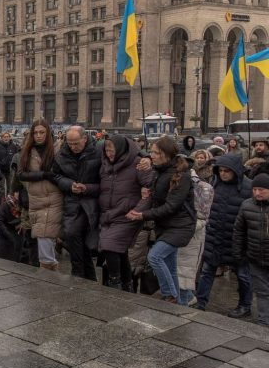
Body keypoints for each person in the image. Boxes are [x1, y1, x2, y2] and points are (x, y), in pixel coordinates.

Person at [127, 137, 195, 303]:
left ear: (167, 154)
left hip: (180, 227)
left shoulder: (182, 176)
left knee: (154, 257)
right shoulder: (160, 170)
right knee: (170, 266)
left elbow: (171, 206)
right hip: (165, 226)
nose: (153, 155)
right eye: (152, 152)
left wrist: (144, 215)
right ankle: (179, 303)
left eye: (156, 153)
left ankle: (169, 295)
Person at [195, 154, 253, 317]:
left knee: (243, 275)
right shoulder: (215, 183)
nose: (223, 174)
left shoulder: (248, 187)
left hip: (238, 240)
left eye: (227, 171)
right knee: (207, 271)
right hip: (216, 237)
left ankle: (245, 305)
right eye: (220, 170)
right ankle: (200, 302)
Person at [98, 135, 153, 291]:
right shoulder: (105, 165)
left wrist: (138, 210)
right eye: (107, 150)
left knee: (109, 245)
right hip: (108, 214)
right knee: (119, 250)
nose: (109, 153)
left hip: (128, 214)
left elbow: (150, 188)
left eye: (112, 150)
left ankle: (114, 281)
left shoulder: (138, 164)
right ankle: (127, 284)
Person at [53, 126, 102, 280]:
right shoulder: (62, 154)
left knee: (74, 234)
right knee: (75, 238)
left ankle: (78, 272)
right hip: (72, 201)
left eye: (76, 143)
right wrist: (69, 185)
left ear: (85, 139)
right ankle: (86, 276)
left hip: (91, 202)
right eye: (70, 143)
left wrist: (86, 188)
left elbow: (106, 181)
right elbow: (55, 175)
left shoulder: (98, 151)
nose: (73, 147)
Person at [16, 119, 63, 270]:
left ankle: (48, 270)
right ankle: (49, 271)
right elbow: (20, 174)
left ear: (48, 133)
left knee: (45, 237)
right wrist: (43, 174)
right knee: (42, 238)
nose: (38, 135)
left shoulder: (58, 149)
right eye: (35, 133)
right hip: (36, 200)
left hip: (54, 198)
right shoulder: (27, 151)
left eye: (42, 132)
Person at [233, 173, 269, 326]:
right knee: (262, 292)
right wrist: (238, 254)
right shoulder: (247, 205)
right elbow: (239, 231)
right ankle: (263, 324)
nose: (257, 193)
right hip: (255, 257)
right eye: (255, 189)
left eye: (262, 190)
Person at [177, 159, 214, 306]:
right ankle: (183, 298)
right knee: (177, 268)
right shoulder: (175, 181)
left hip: (192, 234)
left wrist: (185, 226)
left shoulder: (203, 187)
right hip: (177, 231)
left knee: (186, 269)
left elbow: (203, 215)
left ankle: (185, 300)